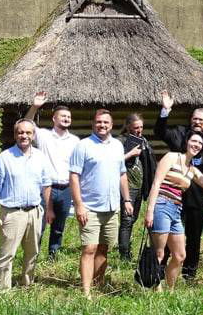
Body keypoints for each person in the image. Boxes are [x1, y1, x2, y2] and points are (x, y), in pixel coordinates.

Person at [154, 90, 203, 279]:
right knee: (168, 232)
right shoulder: (178, 132)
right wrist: (165, 111)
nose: (197, 122)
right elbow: (159, 132)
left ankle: (189, 273)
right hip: (173, 192)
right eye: (195, 119)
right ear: (191, 119)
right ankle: (160, 270)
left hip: (197, 192)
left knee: (194, 235)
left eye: (202, 120)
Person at [144, 131, 203, 288]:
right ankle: (156, 288)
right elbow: (156, 183)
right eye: (193, 141)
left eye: (200, 143)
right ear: (187, 142)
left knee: (180, 255)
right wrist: (149, 211)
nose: (196, 145)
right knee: (159, 252)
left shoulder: (192, 170)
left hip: (176, 209)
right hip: (161, 205)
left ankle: (171, 289)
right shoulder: (171, 157)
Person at [69, 109, 133, 297]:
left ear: (111, 125)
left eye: (106, 122)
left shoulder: (117, 146)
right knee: (89, 248)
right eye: (99, 122)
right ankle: (86, 291)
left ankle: (99, 284)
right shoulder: (83, 146)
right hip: (90, 208)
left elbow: (122, 174)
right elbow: (74, 176)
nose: (102, 125)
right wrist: (79, 204)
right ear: (93, 124)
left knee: (104, 248)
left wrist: (127, 199)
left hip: (112, 207)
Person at [0, 119, 54, 291]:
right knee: (7, 254)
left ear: (33, 135)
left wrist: (49, 208)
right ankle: (3, 290)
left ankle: (27, 284)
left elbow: (46, 184)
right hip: (12, 213)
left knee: (32, 252)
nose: (24, 136)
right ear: (15, 134)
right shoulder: (5, 158)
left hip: (35, 212)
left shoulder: (40, 157)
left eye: (28, 132)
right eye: (20, 132)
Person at [24, 92, 80, 259]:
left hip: (65, 189)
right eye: (62, 116)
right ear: (54, 119)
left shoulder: (75, 141)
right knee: (39, 225)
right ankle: (33, 256)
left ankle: (53, 256)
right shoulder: (43, 135)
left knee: (58, 227)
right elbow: (27, 125)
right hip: (44, 188)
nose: (66, 119)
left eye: (68, 117)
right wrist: (35, 106)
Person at [117, 113, 155, 260]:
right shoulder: (120, 141)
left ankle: (126, 246)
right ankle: (124, 255)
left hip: (140, 186)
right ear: (128, 127)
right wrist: (131, 153)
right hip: (127, 185)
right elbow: (112, 161)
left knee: (133, 219)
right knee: (126, 220)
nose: (139, 130)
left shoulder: (143, 141)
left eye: (141, 127)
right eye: (136, 127)